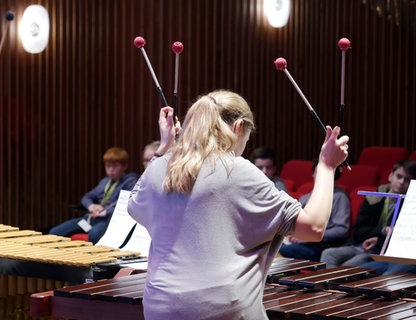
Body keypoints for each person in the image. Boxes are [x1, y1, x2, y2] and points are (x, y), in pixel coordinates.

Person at [127, 89, 349, 319]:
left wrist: (164, 148)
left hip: (159, 305)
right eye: (248, 138)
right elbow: (313, 228)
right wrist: (326, 165)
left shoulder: (158, 168)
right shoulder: (237, 170)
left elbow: (133, 204)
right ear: (239, 127)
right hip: (219, 307)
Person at [320, 160, 416, 268]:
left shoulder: (411, 205)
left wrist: (379, 240)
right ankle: (329, 284)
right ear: (390, 176)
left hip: (378, 251)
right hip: (358, 244)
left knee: (347, 266)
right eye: (399, 176)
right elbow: (358, 230)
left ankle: (334, 283)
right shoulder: (373, 198)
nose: (402, 182)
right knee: (328, 254)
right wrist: (383, 231)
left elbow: (406, 240)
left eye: (407, 180)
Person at [49, 147, 138, 244]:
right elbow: (86, 197)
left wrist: (105, 212)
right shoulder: (105, 181)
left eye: (115, 166)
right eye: (108, 166)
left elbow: (127, 206)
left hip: (108, 220)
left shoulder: (130, 181)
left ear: (124, 166)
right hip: (91, 217)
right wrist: (91, 206)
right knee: (54, 232)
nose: (111, 170)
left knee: (94, 234)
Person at [279, 158, 350, 261]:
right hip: (298, 241)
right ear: (313, 174)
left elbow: (341, 230)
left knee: (281, 249)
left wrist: (309, 237)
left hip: (321, 244)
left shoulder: (340, 197)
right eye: (319, 173)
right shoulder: (305, 198)